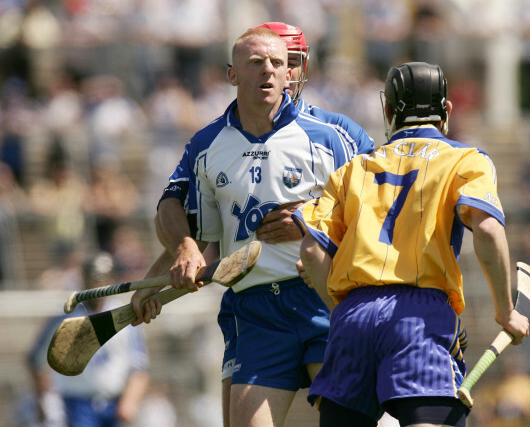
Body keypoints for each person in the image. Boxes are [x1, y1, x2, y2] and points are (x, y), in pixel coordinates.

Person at [132, 22, 374, 427]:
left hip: (327, 299)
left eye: (278, 63)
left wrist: (310, 220)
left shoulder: (334, 135)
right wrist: (172, 261)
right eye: (256, 62)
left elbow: (379, 209)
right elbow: (173, 208)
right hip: (257, 312)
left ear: (289, 73)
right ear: (232, 74)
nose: (269, 70)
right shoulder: (207, 144)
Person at [293, 61, 530, 427]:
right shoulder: (466, 159)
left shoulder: (352, 169)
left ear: (387, 110)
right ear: (446, 111)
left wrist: (342, 309)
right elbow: (486, 231)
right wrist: (506, 310)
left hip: (352, 316)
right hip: (420, 317)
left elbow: (311, 251)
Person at [27, 252, 150, 427]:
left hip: (115, 405)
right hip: (76, 404)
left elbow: (139, 367)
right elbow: (36, 360)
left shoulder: (126, 317)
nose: (97, 284)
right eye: (92, 278)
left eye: (102, 278)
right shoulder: (65, 318)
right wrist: (42, 399)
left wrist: (130, 401)